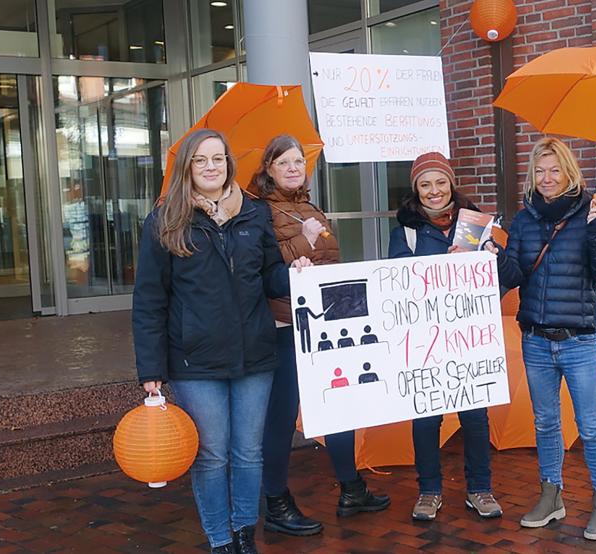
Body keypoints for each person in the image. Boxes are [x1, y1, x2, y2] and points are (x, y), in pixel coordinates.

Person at [132, 129, 312, 554]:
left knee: (249, 451)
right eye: (201, 160)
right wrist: (151, 368)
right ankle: (220, 539)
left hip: (255, 353)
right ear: (187, 168)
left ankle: (244, 531)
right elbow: (150, 299)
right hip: (195, 361)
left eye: (218, 158)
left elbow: (268, 276)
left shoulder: (254, 213)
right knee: (212, 455)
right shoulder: (164, 221)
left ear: (229, 163)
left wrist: (293, 271)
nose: (211, 167)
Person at [251, 134, 390, 538]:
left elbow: (329, 265)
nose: (294, 168)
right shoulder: (259, 211)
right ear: (269, 169)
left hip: (329, 322)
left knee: (338, 405)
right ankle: (275, 499)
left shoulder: (308, 207)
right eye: (284, 163)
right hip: (286, 326)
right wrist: (305, 240)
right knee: (281, 415)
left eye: (299, 161)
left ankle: (351, 489)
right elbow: (268, 271)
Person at [485, 137, 596, 540]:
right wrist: (497, 254)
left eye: (554, 170)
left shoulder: (590, 214)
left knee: (591, 425)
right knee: (545, 423)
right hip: (537, 341)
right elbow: (514, 277)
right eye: (540, 171)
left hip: (579, 341)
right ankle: (551, 495)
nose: (546, 178)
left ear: (569, 172)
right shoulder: (525, 220)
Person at [388, 151, 503, 522]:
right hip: (424, 343)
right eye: (425, 184)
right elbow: (395, 287)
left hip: (468, 338)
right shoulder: (404, 231)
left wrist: (487, 259)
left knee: (475, 415)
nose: (434, 191)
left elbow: (499, 283)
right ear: (416, 190)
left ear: (451, 183)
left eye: (440, 182)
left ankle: (480, 489)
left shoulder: (477, 226)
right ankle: (429, 491)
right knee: (426, 418)